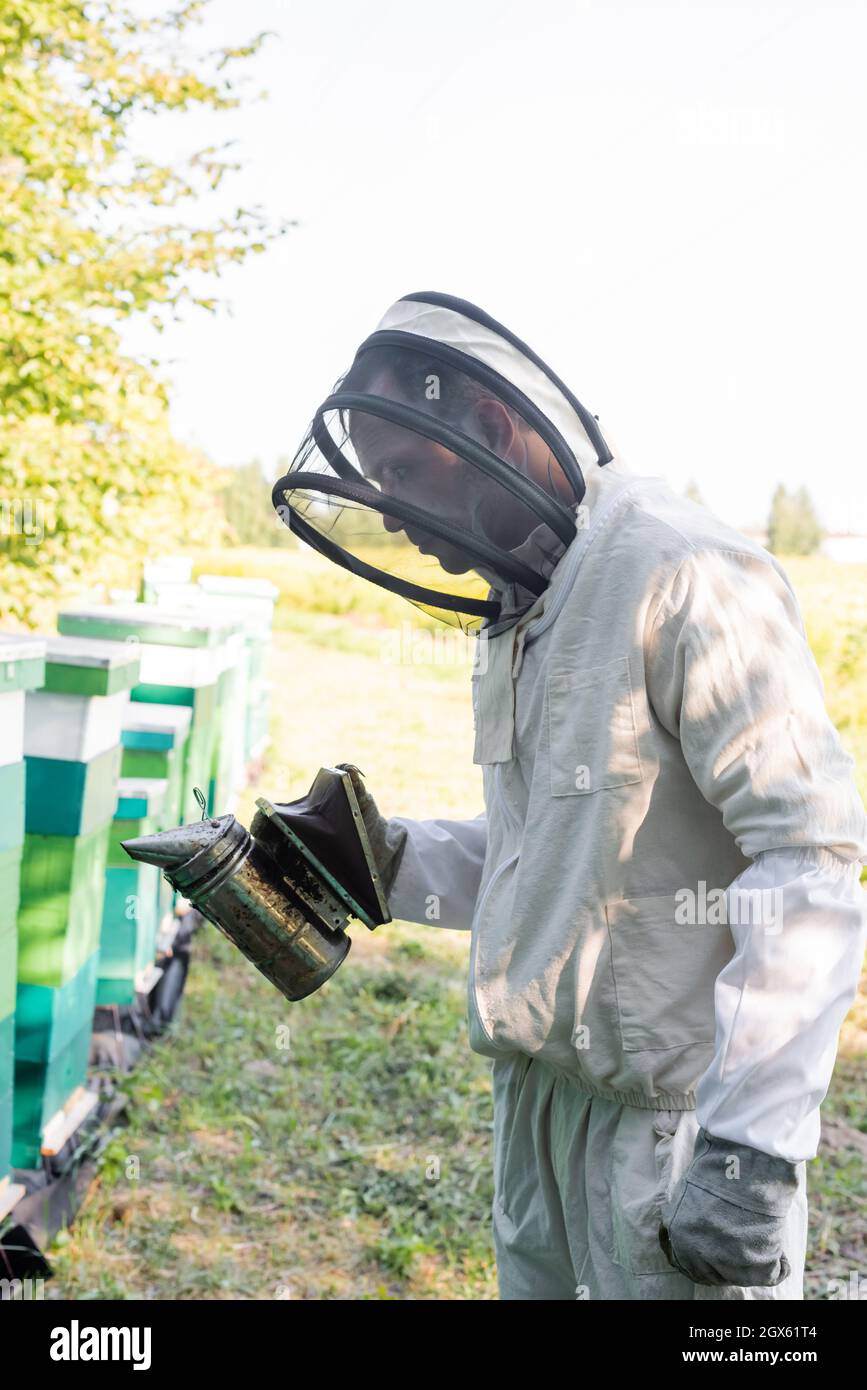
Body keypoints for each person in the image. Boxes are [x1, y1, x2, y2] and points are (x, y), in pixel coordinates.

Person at [273, 291, 867, 1300]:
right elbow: (541, 853)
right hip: (537, 1109)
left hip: (673, 1133)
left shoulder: (681, 570)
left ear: (494, 430)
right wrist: (383, 860)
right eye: (375, 487)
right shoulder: (526, 602)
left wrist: (753, 1144)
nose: (392, 515)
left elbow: (809, 858)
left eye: (405, 474)